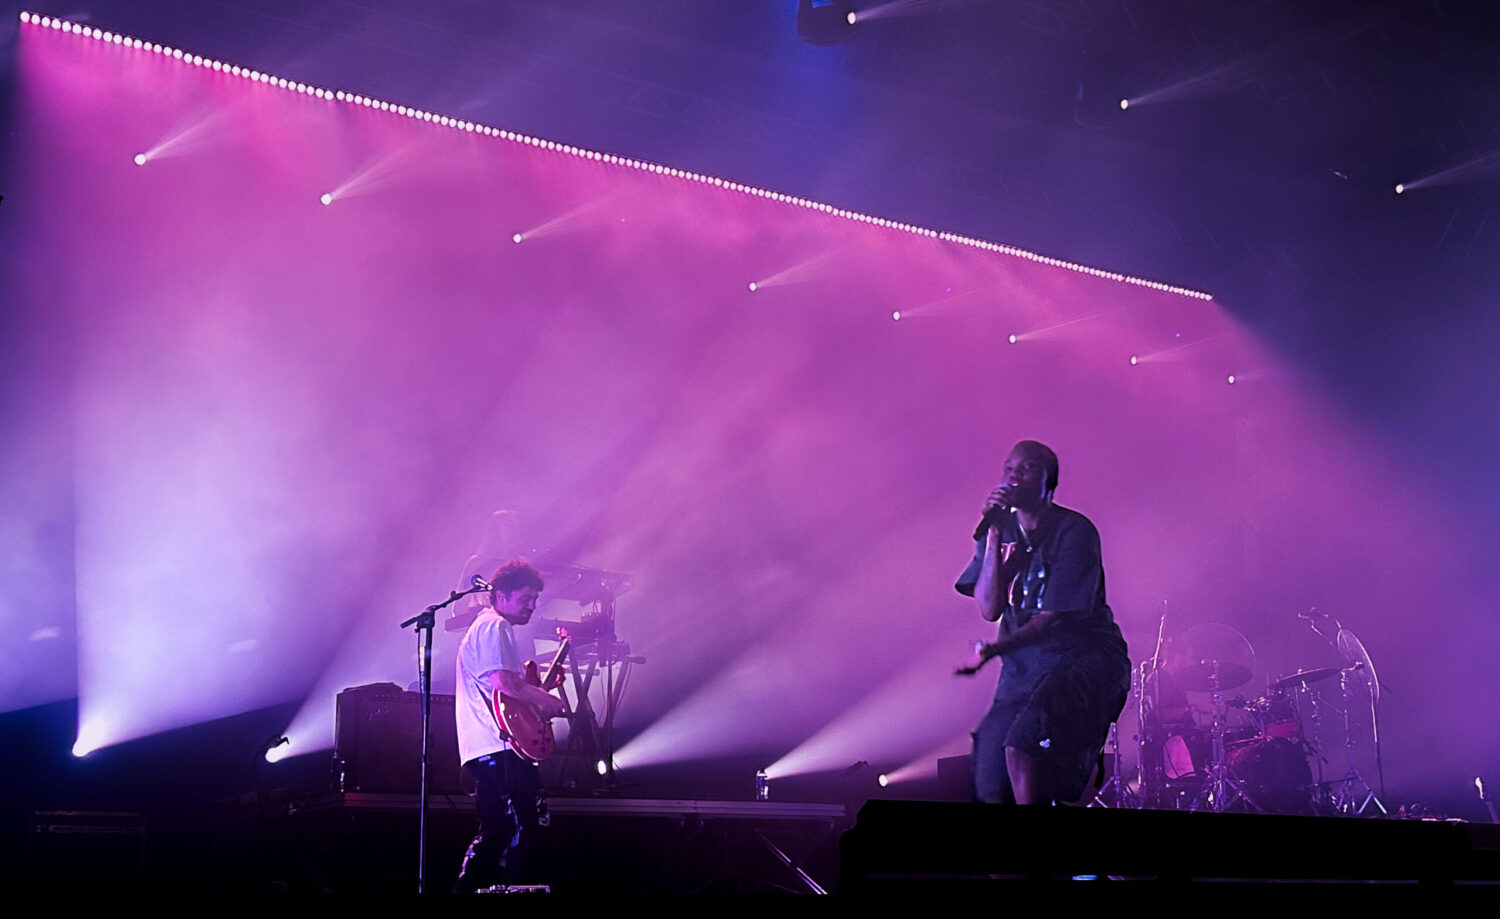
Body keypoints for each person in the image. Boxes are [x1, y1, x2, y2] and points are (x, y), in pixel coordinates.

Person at [954, 440, 1130, 805]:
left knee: (1024, 746)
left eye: (1027, 467)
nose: (1014, 474)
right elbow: (990, 608)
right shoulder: (999, 532)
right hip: (1024, 669)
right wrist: (991, 536)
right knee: (989, 777)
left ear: (1049, 481)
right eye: (1008, 468)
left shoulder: (1074, 531)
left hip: (1079, 660)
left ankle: (1038, 857)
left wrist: (995, 649)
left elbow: (1050, 620)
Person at [453, 560, 566, 893]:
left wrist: (537, 690)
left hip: (494, 749)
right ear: (500, 596)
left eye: (534, 599)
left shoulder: (490, 629)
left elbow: (508, 692)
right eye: (525, 598)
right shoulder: (493, 625)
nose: (532, 606)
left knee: (499, 832)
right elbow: (502, 682)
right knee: (519, 828)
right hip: (497, 748)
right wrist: (547, 701)